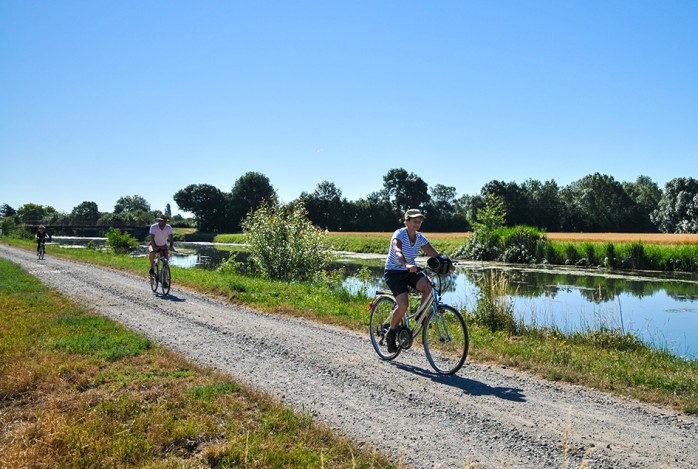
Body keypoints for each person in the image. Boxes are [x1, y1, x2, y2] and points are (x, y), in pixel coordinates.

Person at [383, 209, 454, 353]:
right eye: (414, 220)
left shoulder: (420, 237)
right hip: (395, 271)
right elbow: (397, 251)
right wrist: (406, 264)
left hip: (411, 270)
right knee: (403, 306)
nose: (417, 223)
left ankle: (420, 317)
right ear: (407, 221)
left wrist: (447, 264)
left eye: (419, 221)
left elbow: (433, 253)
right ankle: (391, 333)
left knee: (428, 286)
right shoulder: (399, 234)